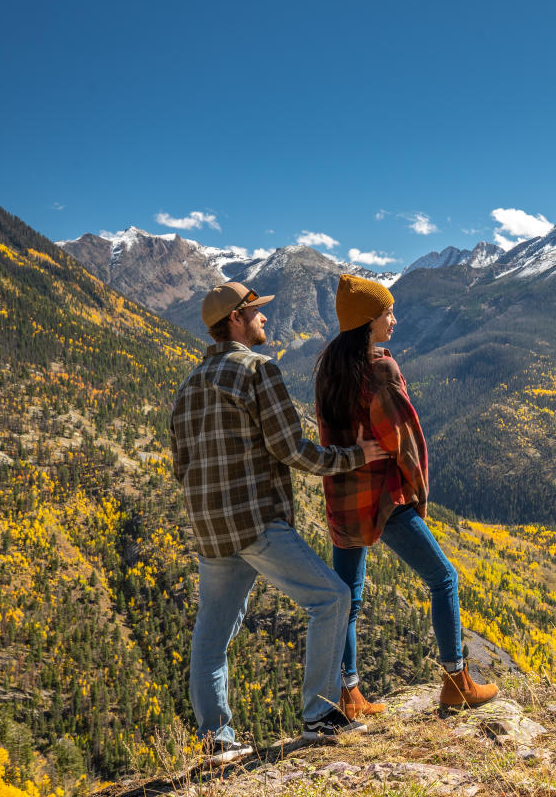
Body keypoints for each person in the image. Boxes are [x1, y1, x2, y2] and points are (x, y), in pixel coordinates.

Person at [170, 282, 388, 763]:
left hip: (209, 529)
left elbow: (180, 464)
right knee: (332, 597)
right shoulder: (256, 369)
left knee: (211, 636)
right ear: (234, 320)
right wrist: (355, 456)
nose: (264, 318)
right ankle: (320, 715)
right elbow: (292, 449)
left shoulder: (189, 384)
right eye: (255, 312)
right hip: (254, 519)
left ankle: (215, 742)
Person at [315, 273, 498, 719]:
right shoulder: (380, 369)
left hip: (343, 500)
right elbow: (407, 441)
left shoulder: (329, 370)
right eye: (386, 313)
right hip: (383, 499)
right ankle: (456, 682)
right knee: (444, 578)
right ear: (368, 322)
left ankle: (349, 694)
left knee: (347, 599)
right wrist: (416, 496)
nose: (393, 320)